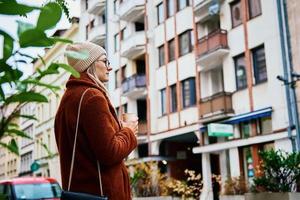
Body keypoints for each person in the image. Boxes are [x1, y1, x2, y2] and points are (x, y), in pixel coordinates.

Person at [54, 42, 138, 200]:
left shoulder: (68, 99)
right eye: (105, 61)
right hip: (102, 194)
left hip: (81, 192)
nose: (109, 67)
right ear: (90, 64)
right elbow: (110, 152)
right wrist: (128, 131)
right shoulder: (92, 97)